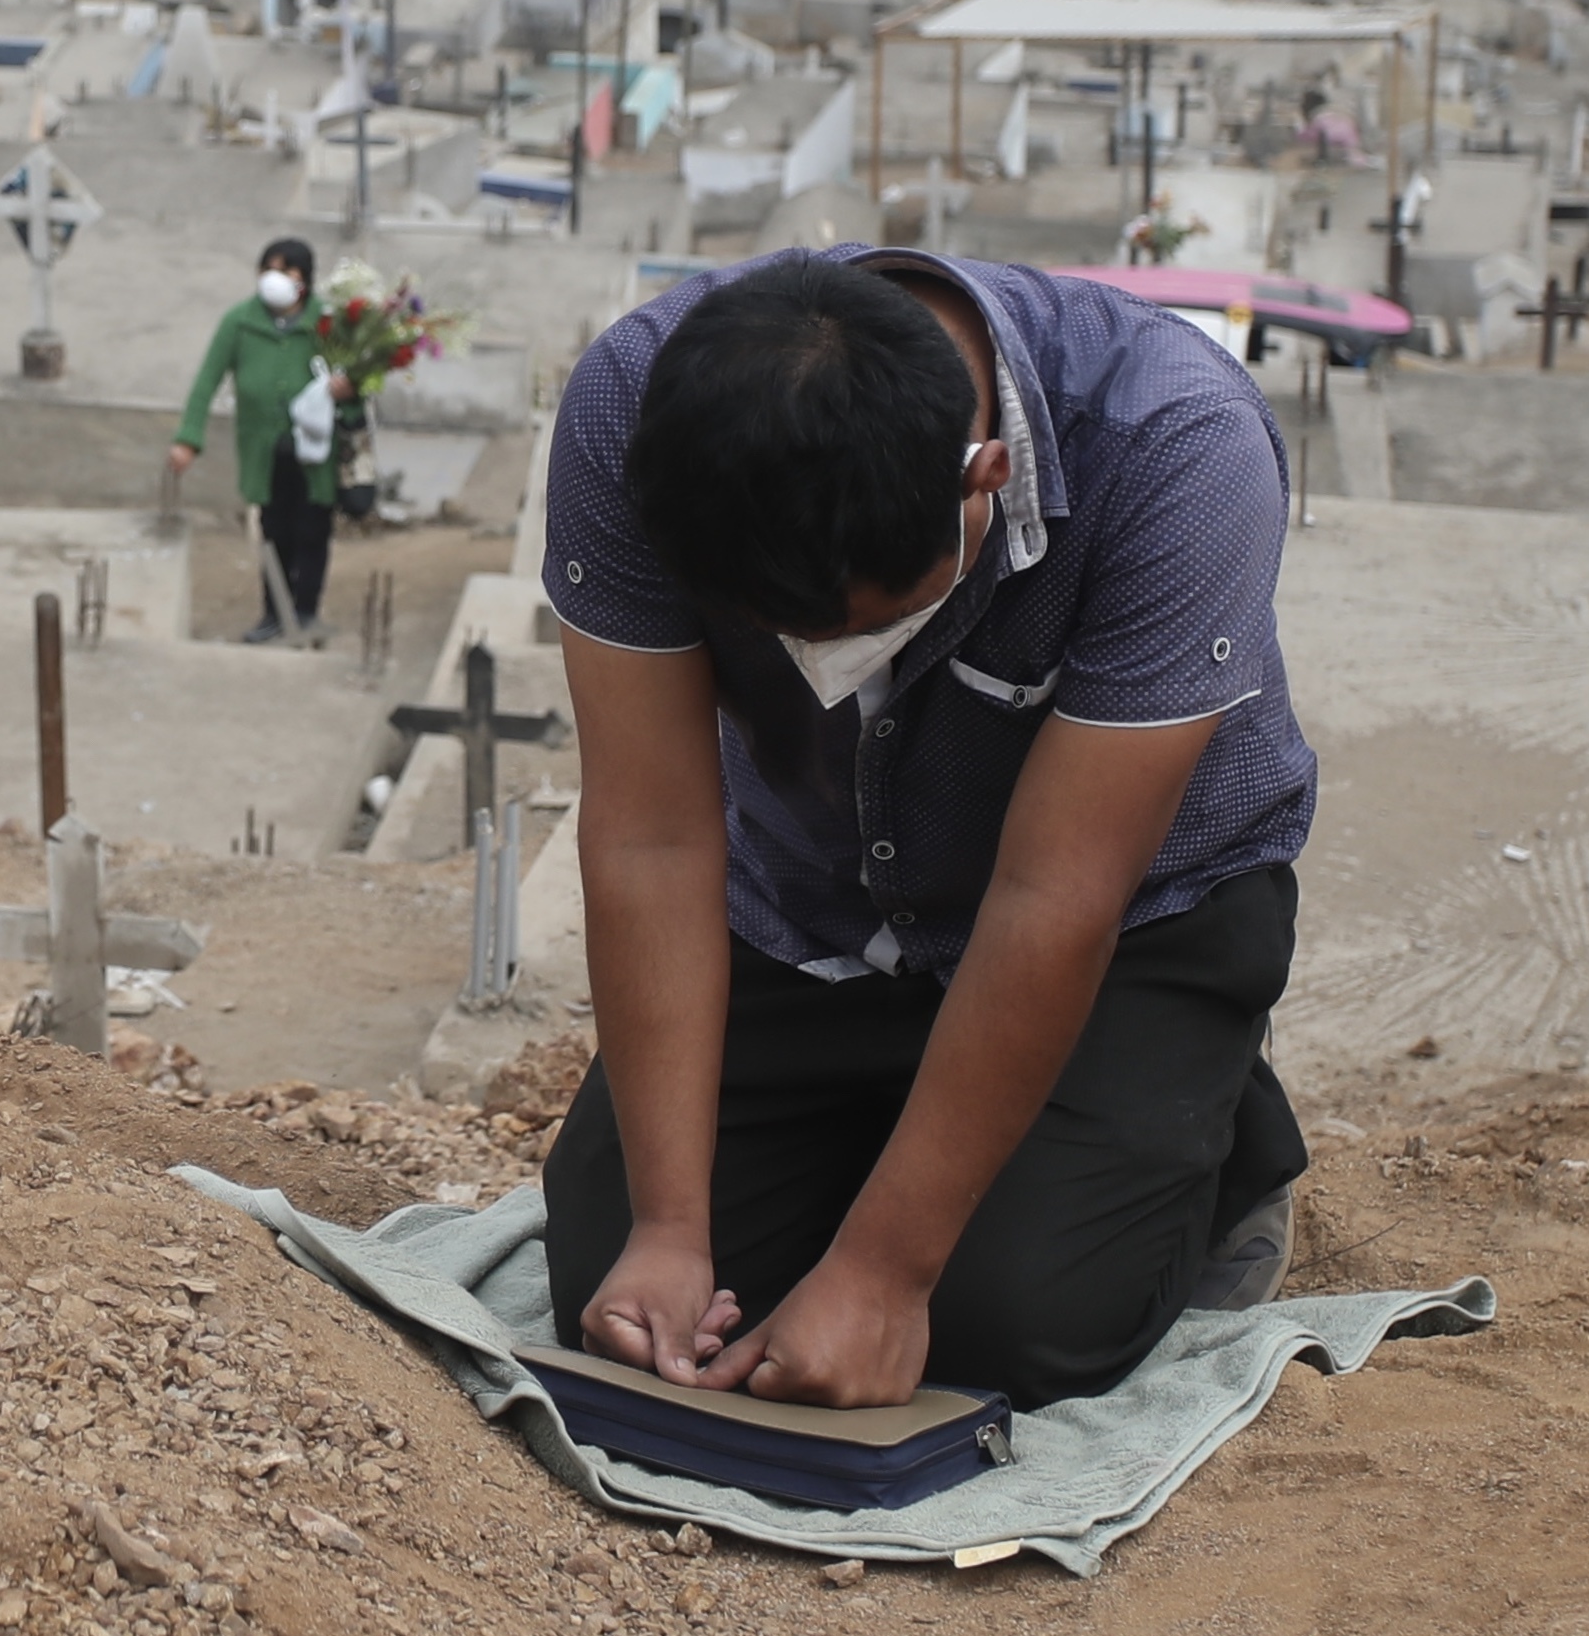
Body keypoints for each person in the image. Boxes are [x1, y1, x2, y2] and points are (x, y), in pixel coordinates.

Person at [539, 248, 1315, 1413]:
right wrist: (667, 1226)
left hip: (1127, 926)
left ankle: (1210, 1136)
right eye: (771, 626)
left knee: (1003, 1327)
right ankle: (901, 1144)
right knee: (621, 1297)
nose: (815, 662)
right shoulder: (636, 410)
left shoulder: (1177, 452)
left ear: (984, 479)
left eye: (855, 624)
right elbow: (653, 832)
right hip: (816, 906)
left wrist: (883, 1268)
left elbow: (1056, 893)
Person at [169, 236, 351, 644]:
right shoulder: (240, 322)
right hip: (266, 453)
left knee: (312, 531)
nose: (276, 279)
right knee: (275, 531)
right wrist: (188, 439)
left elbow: (356, 385)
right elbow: (206, 382)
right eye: (269, 269)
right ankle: (274, 613)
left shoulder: (326, 324)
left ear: (305, 280)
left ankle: (306, 613)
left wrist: (347, 392)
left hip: (316, 453)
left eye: (287, 271)